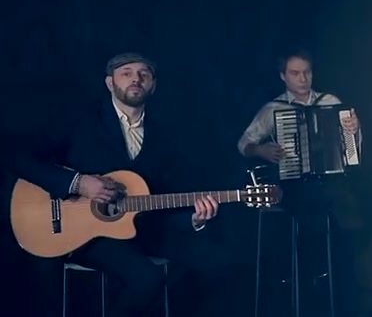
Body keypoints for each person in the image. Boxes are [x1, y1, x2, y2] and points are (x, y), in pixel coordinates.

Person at [7, 53, 247, 317]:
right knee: (146, 281)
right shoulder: (80, 120)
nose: (136, 79)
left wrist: (195, 219)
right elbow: (18, 156)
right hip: (86, 235)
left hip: (146, 229)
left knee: (223, 264)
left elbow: (168, 196)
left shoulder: (167, 134)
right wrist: (77, 183)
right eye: (127, 73)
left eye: (144, 74)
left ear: (153, 85)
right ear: (110, 83)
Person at [237, 49, 372, 317]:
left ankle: (366, 297)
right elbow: (243, 143)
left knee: (357, 223)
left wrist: (354, 130)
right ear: (283, 76)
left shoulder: (331, 102)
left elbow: (351, 151)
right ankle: (313, 292)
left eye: (306, 72)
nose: (303, 79)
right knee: (312, 224)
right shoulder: (272, 110)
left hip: (332, 180)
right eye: (295, 73)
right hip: (295, 184)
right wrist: (260, 150)